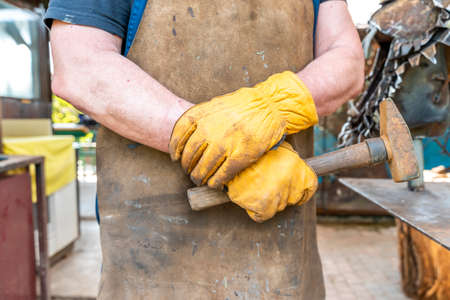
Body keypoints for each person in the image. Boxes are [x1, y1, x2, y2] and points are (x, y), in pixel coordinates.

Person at [45, 0, 364, 298]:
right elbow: (79, 65)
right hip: (155, 261)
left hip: (285, 261)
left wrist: (275, 106)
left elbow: (346, 59)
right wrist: (201, 138)